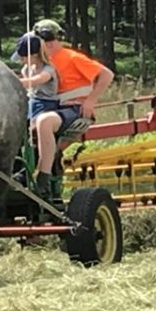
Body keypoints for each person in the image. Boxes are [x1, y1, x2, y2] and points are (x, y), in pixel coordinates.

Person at [31, 19, 114, 202]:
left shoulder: (71, 57)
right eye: (43, 39)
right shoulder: (37, 63)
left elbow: (107, 75)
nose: (48, 43)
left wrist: (91, 100)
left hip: (74, 109)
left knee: (44, 122)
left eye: (50, 38)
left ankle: (43, 178)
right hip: (51, 109)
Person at [11, 33, 60, 122]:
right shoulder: (27, 69)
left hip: (46, 104)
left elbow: (35, 81)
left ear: (35, 55)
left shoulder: (48, 70)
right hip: (31, 100)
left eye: (24, 58)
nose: (21, 61)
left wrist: (12, 82)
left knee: (30, 123)